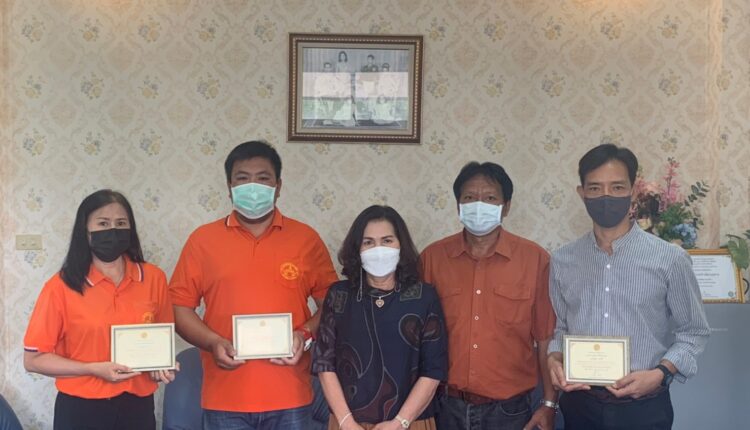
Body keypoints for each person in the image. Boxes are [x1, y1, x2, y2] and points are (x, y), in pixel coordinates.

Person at [169, 140, 338, 430]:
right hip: (225, 398)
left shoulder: (305, 239)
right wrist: (212, 342)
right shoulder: (202, 241)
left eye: (263, 178)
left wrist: (304, 335)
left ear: (278, 186)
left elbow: (333, 305)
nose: (253, 186)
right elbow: (178, 308)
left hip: (291, 395)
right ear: (229, 186)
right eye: (242, 178)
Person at [547, 144, 710, 430]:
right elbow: (561, 328)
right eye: (595, 188)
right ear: (581, 193)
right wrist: (554, 358)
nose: (606, 196)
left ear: (633, 191)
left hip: (644, 407)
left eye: (617, 187)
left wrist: (660, 373)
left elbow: (694, 331)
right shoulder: (563, 260)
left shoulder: (670, 259)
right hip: (580, 404)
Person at [421, 162, 558, 430]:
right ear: (458, 205)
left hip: (510, 411)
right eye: (469, 197)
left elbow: (545, 339)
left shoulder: (535, 260)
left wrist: (549, 403)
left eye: (490, 198)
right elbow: (416, 338)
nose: (478, 205)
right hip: (445, 407)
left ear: (506, 206)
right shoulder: (432, 259)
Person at [23, 189, 176, 430]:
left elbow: (161, 343)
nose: (112, 231)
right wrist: (91, 369)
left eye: (121, 223)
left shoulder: (153, 278)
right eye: (103, 223)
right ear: (85, 231)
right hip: (81, 409)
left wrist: (162, 365)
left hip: (137, 407)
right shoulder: (61, 286)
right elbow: (33, 360)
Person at [313, 205, 447, 430]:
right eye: (368, 242)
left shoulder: (424, 297)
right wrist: (346, 422)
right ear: (357, 249)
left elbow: (433, 370)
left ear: (401, 245)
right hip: (347, 423)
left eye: (387, 241)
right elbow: (325, 364)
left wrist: (400, 422)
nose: (378, 249)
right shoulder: (339, 295)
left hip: (411, 421)